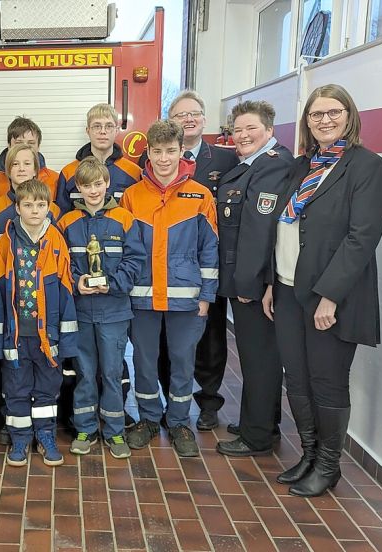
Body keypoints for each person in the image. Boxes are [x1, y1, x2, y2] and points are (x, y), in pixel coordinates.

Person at [263, 84, 382, 497]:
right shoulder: (303, 166)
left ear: (349, 116)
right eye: (316, 115)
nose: (325, 120)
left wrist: (330, 296)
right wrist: (270, 284)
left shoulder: (366, 167)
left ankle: (329, 466)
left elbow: (362, 238)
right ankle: (310, 454)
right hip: (286, 289)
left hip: (328, 298)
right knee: (296, 379)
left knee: (327, 381)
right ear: (307, 122)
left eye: (333, 112)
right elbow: (284, 227)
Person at [120, 120, 218, 458]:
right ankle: (148, 419)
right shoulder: (132, 196)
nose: (164, 159)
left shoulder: (200, 195)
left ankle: (178, 423)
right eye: (157, 151)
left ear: (181, 151)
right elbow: (124, 250)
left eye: (171, 151)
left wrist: (207, 296)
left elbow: (210, 250)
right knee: (145, 362)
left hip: (186, 300)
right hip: (141, 299)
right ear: (148, 152)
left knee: (182, 361)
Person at [210, 101, 293, 457]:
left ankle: (257, 435)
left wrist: (247, 285)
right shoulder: (251, 165)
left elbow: (259, 231)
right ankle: (261, 421)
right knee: (258, 357)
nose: (242, 136)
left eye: (251, 129)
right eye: (237, 130)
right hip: (249, 279)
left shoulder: (271, 167)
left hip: (253, 284)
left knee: (259, 358)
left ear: (269, 131)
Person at [0, 178, 78, 467]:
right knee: (15, 388)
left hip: (47, 337)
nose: (35, 210)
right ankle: (20, 437)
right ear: (17, 207)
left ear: (50, 207)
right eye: (28, 205)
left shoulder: (56, 241)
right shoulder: (6, 244)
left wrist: (65, 338)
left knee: (48, 389)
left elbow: (66, 292)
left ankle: (45, 435)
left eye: (41, 205)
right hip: (15, 335)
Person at [56, 157, 145, 459]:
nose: (93, 190)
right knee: (84, 372)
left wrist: (113, 282)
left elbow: (136, 261)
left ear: (107, 184)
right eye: (86, 185)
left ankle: (115, 431)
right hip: (80, 311)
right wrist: (73, 282)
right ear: (77, 187)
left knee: (111, 372)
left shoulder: (124, 219)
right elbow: (57, 263)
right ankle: (85, 428)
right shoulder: (67, 222)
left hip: (114, 311)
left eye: (98, 184)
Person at [55, 103, 142, 213]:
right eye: (97, 126)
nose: (103, 131)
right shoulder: (69, 173)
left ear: (116, 131)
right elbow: (62, 219)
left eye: (109, 126)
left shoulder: (134, 172)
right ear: (88, 131)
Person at [0, 144, 62, 241]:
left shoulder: (52, 211)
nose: (21, 169)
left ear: (35, 170)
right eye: (15, 164)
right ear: (7, 170)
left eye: (27, 164)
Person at [0, 117, 60, 201]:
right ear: (9, 145)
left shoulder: (54, 180)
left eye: (31, 143)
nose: (24, 147)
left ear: (38, 146)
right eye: (19, 143)